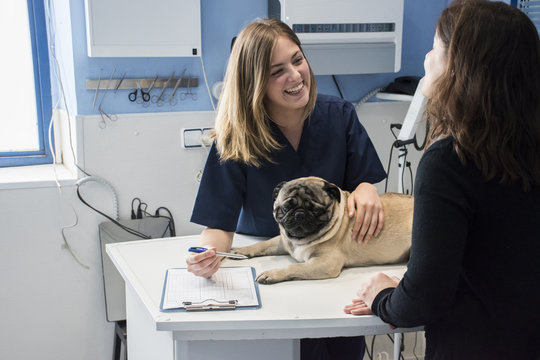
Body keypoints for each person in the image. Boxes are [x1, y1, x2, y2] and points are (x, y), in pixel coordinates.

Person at [344, 1, 540, 359]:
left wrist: (383, 297)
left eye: (435, 48)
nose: (426, 59)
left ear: (459, 68)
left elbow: (424, 300)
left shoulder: (451, 161)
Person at [188, 18, 387, 360]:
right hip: (270, 275)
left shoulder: (338, 115)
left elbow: (361, 182)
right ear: (253, 83)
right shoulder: (236, 140)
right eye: (277, 71)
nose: (295, 76)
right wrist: (206, 257)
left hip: (333, 271)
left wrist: (367, 188)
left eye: (297, 60)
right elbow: (217, 227)